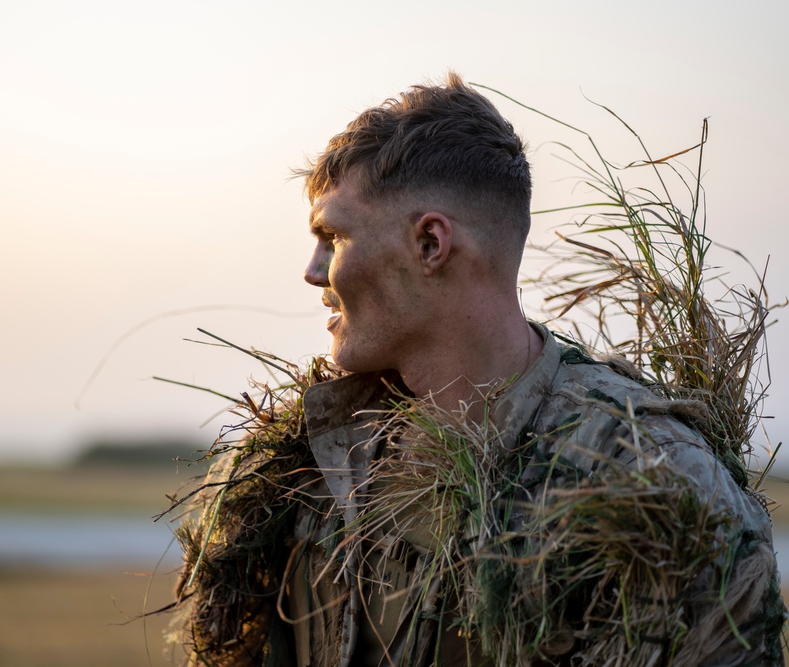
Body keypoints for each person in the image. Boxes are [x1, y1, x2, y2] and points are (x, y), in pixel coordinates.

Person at [171, 73, 785, 666]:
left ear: (431, 244)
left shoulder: (655, 487)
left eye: (332, 236)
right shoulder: (304, 464)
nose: (313, 271)